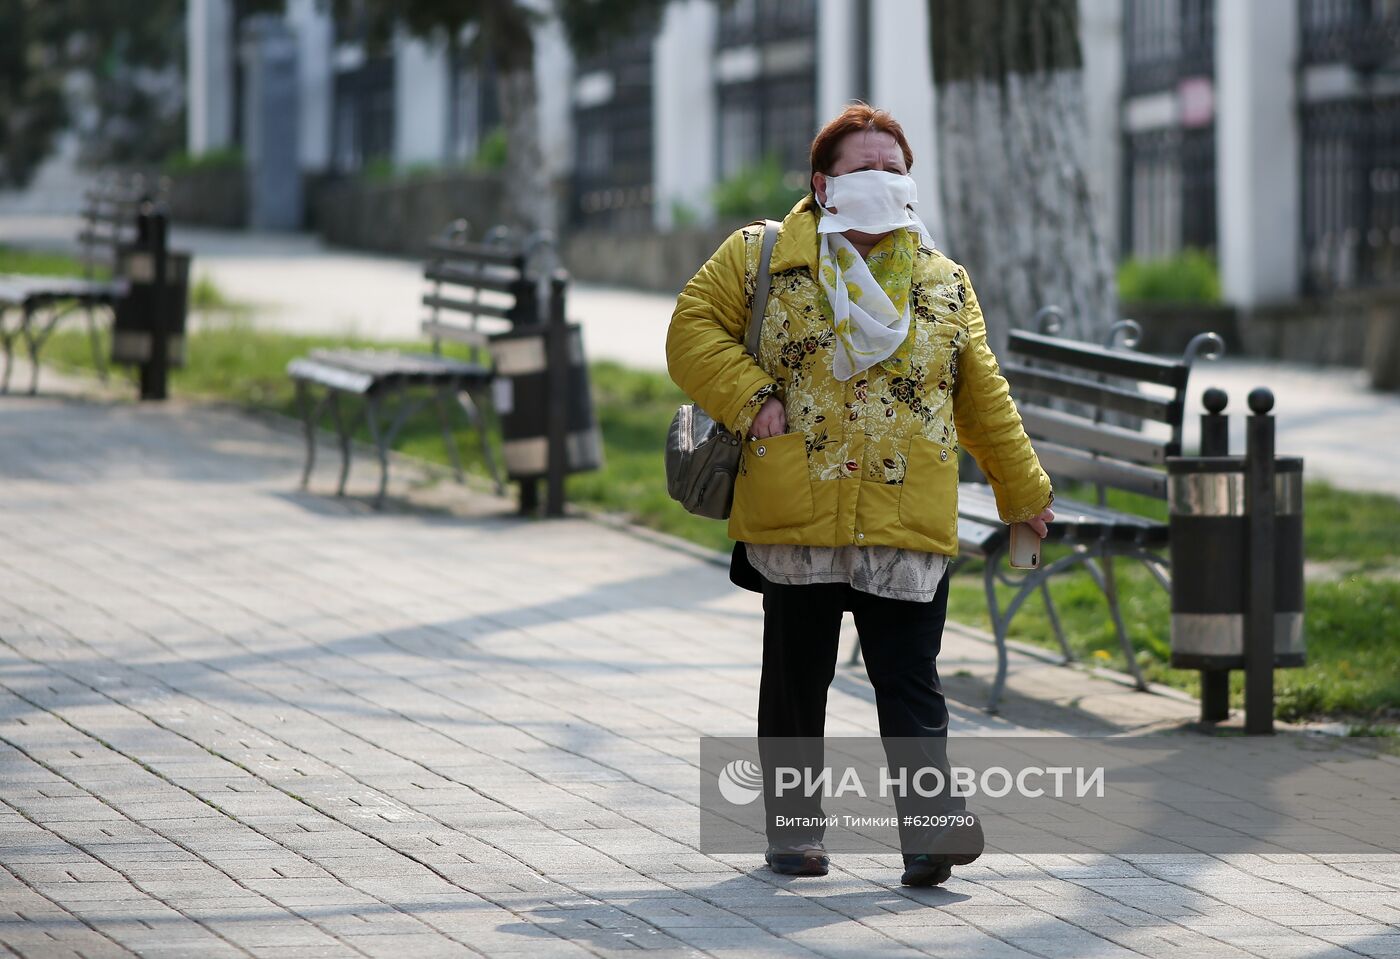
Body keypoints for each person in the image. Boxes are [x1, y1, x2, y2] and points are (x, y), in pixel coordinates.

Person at [666, 104, 1054, 887]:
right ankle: (794, 835)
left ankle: (930, 833)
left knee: (911, 679)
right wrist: (749, 397)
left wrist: (1025, 492)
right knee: (796, 680)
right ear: (822, 181)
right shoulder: (761, 257)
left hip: (902, 511)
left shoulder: (944, 282)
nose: (881, 179)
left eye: (893, 167)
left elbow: (982, 400)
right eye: (863, 166)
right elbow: (689, 330)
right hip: (797, 504)